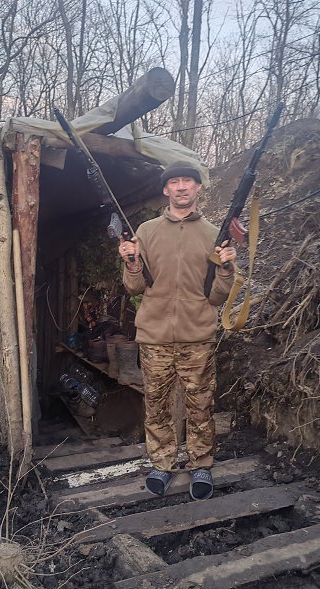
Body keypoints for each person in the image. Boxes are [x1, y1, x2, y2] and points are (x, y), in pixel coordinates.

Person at [118, 160, 237, 501]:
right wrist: (131, 262)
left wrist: (226, 268)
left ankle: (201, 464)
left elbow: (217, 296)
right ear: (165, 189)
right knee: (156, 405)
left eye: (188, 181)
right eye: (175, 182)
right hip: (154, 337)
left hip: (197, 337)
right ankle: (163, 463)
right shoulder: (146, 231)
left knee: (201, 405)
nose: (181, 187)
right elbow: (134, 287)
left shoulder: (213, 234)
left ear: (198, 187)